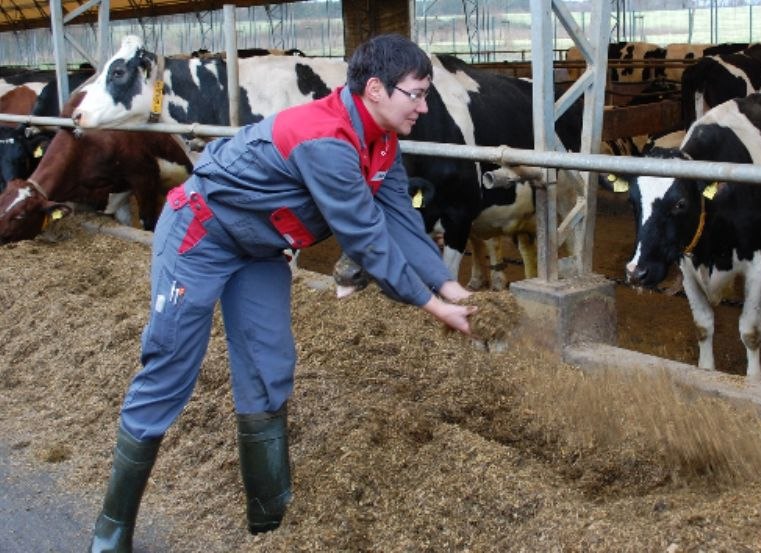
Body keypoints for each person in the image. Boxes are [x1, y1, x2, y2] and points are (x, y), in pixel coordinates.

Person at [89, 33, 475, 552]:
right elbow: (367, 239)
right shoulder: (326, 140)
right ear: (376, 89)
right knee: (170, 368)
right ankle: (111, 532)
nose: (424, 107)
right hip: (200, 235)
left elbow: (401, 221)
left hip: (259, 249)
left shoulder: (382, 141)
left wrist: (451, 286)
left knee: (269, 368)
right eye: (417, 94)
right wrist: (433, 306)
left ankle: (269, 519)